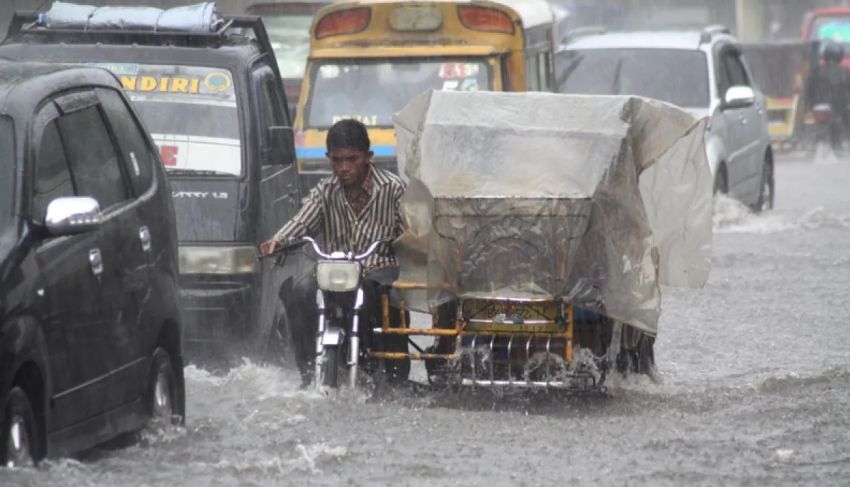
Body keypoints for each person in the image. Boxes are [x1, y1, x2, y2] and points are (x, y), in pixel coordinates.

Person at [259, 119, 409, 386]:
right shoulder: (324, 191)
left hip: (376, 270)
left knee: (383, 297)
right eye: (337, 160)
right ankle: (307, 372)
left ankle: (381, 367)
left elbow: (410, 233)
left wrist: (406, 243)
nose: (344, 167)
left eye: (351, 159)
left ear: (367, 157)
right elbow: (303, 220)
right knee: (300, 292)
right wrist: (279, 240)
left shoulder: (393, 188)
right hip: (332, 270)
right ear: (328, 158)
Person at [804, 41, 850, 151]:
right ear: (839, 56)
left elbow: (809, 90)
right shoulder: (845, 72)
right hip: (840, 107)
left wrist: (810, 105)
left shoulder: (816, 72)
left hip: (820, 106)